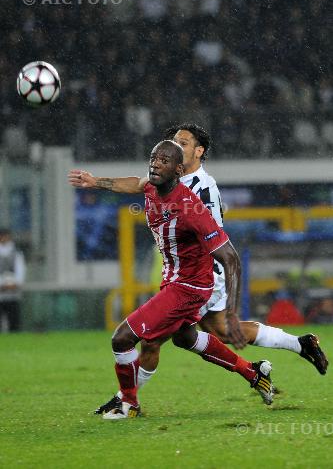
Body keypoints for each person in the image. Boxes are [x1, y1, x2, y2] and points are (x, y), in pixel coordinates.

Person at [71, 124, 328, 414]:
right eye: (172, 142)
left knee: (154, 340)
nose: (175, 146)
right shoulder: (165, 177)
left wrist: (217, 289)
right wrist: (97, 182)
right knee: (194, 335)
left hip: (203, 274)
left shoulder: (199, 190)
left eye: (183, 142)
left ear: (198, 152)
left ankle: (126, 401)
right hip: (179, 273)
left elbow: (217, 243)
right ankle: (280, 356)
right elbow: (139, 184)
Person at [0, 228, 26, 332]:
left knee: (14, 322)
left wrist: (16, 283)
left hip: (13, 293)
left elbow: (21, 270)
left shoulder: (16, 252)